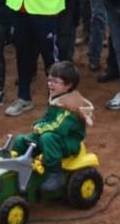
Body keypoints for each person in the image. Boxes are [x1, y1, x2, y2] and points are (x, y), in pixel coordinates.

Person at [10, 61, 93, 193]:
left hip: (69, 141)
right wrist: (39, 124)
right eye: (49, 80)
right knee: (21, 139)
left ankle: (56, 173)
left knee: (47, 138)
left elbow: (59, 127)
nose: (50, 84)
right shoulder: (57, 97)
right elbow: (48, 118)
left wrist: (41, 129)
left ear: (68, 85)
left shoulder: (70, 106)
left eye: (55, 81)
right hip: (56, 136)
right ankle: (17, 165)